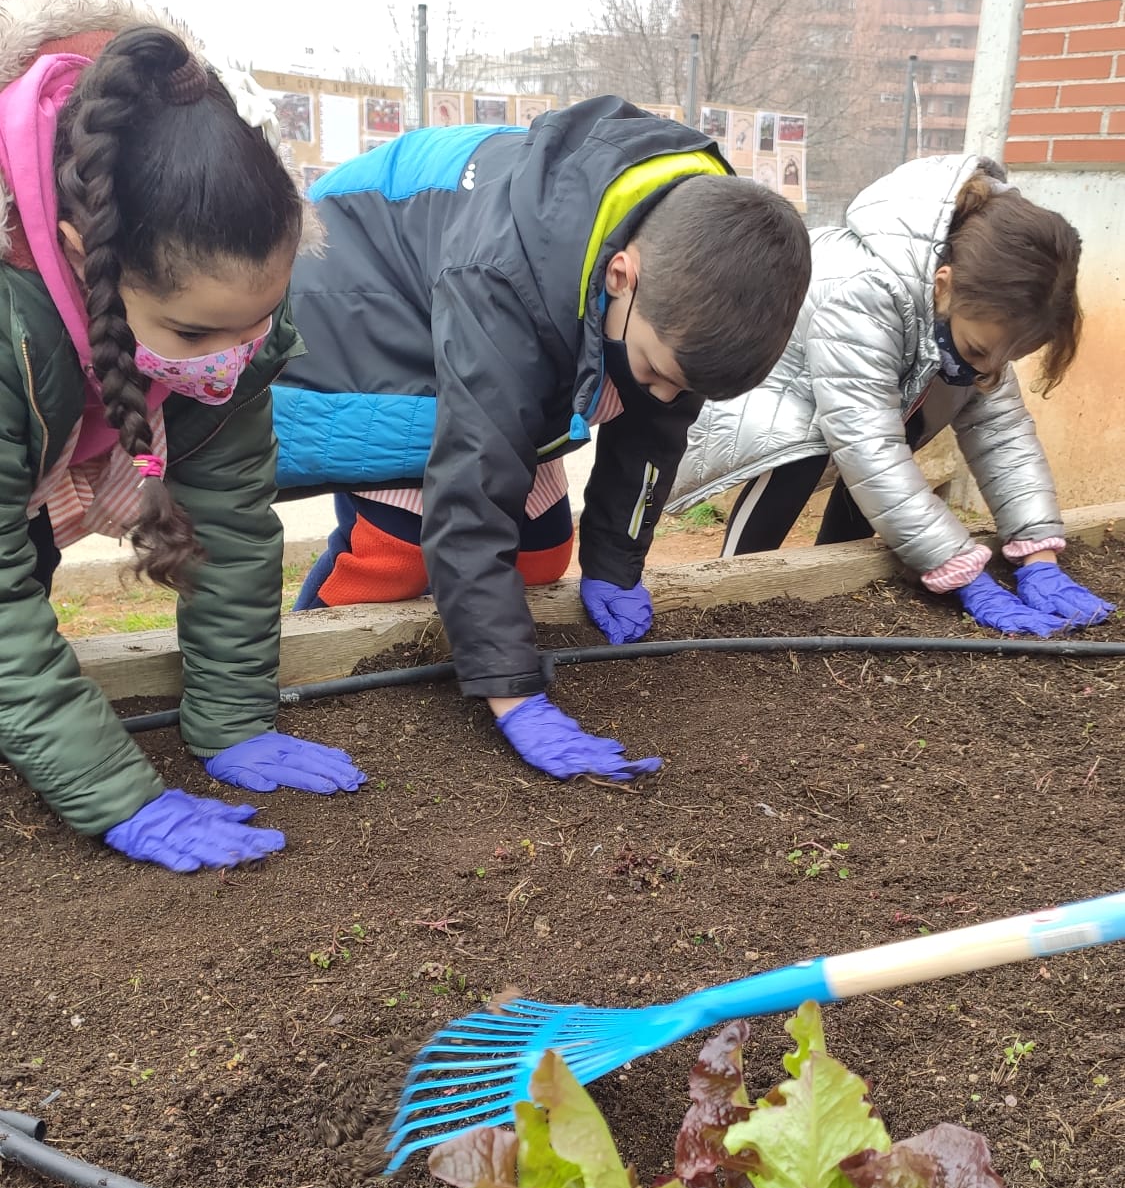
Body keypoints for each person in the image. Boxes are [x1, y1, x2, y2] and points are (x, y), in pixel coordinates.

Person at [274, 96, 811, 781]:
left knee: (543, 549)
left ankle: (458, 621)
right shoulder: (502, 275)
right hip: (356, 295)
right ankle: (315, 655)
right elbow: (472, 484)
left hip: (493, 302)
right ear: (621, 276)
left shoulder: (700, 263)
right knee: (400, 546)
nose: (660, 397)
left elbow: (653, 425)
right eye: (655, 371)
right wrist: (514, 694)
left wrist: (615, 561)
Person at [0, 0, 366, 875]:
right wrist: (119, 795)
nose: (229, 361)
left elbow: (229, 517)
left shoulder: (221, 285)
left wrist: (233, 717)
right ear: (82, 254)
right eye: (195, 335)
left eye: (256, 323)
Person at [669, 153, 1114, 636]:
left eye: (1006, 358)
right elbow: (867, 447)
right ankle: (730, 592)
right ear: (944, 286)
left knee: (914, 424)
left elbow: (1003, 435)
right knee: (800, 455)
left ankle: (834, 580)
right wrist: (958, 566)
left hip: (859, 401)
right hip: (777, 392)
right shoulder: (866, 291)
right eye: (979, 350)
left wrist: (1038, 552)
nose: (989, 369)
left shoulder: (983, 312)